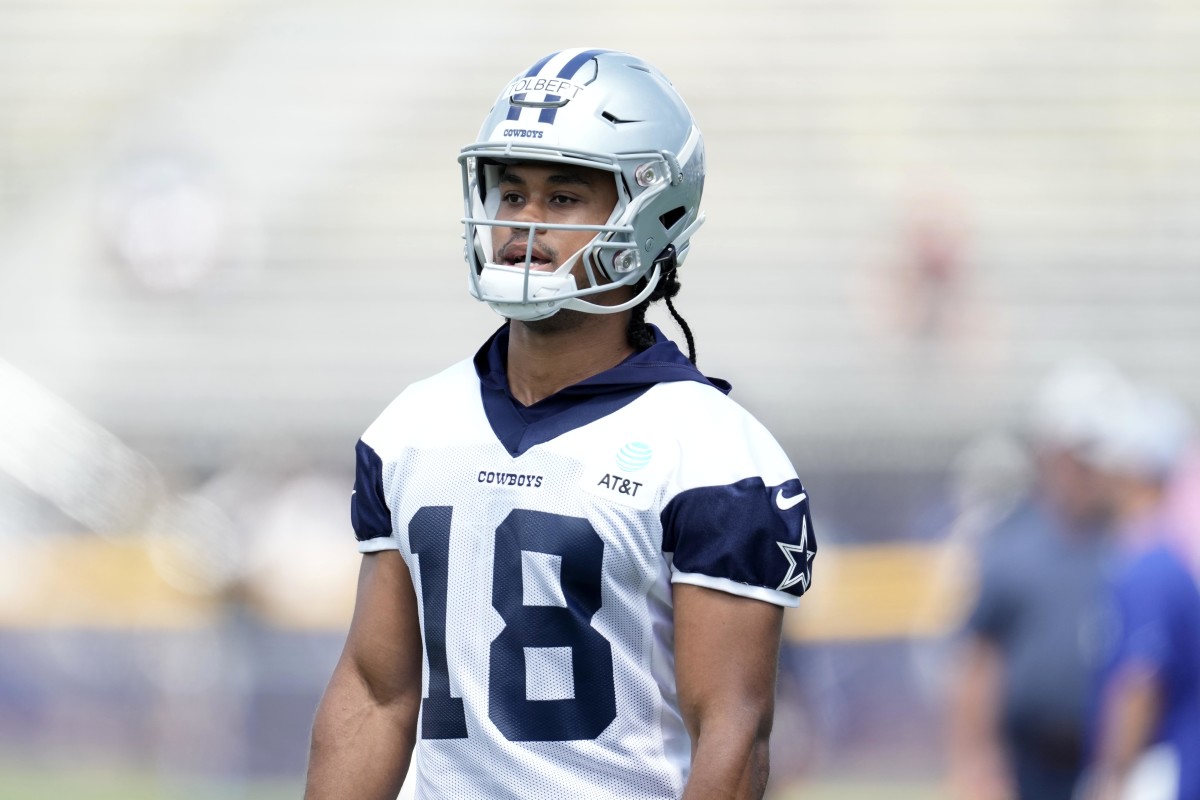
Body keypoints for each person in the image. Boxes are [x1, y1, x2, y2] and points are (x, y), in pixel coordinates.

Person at [304, 48, 816, 800]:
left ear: (652, 212)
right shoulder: (411, 426)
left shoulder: (713, 456)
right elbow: (377, 692)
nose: (522, 223)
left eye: (564, 197)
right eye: (511, 193)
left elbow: (732, 734)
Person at [946, 359, 1124, 800]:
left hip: (1110, 758)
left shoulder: (1130, 540)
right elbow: (978, 662)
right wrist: (979, 765)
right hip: (1030, 762)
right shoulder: (1009, 540)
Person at [1080, 387, 1200, 800]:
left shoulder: (1150, 565)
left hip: (1159, 774)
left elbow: (1141, 681)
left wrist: (1113, 776)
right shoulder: (1155, 555)